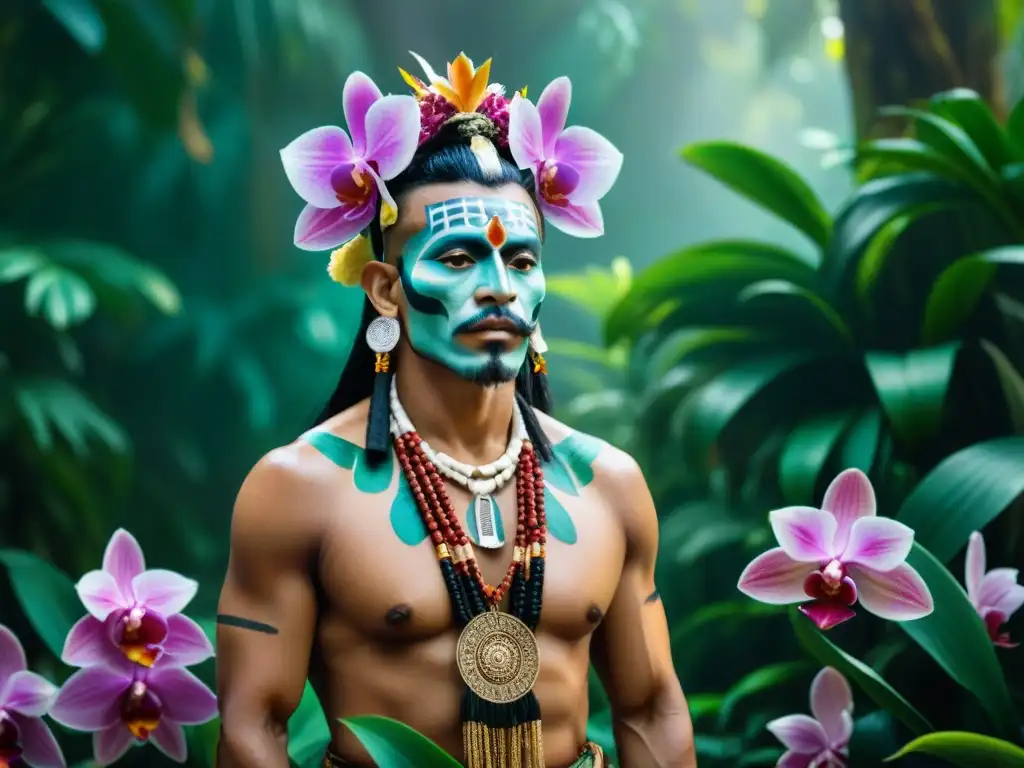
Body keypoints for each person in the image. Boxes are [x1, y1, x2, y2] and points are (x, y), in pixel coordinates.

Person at [214, 51, 695, 768]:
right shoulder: (299, 489)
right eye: (460, 258)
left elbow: (652, 707)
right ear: (384, 289)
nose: (499, 287)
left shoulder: (608, 485)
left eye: (523, 262)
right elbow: (253, 729)